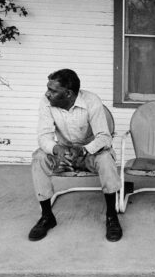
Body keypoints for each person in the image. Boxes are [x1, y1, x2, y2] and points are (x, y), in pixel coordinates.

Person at [29, 69, 122, 242]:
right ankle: (47, 217)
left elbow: (104, 136)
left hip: (89, 153)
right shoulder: (46, 101)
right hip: (64, 153)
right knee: (39, 158)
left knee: (106, 160)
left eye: (53, 90)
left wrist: (85, 149)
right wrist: (57, 149)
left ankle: (111, 216)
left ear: (68, 93)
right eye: (48, 88)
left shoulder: (91, 100)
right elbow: (43, 136)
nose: (47, 93)